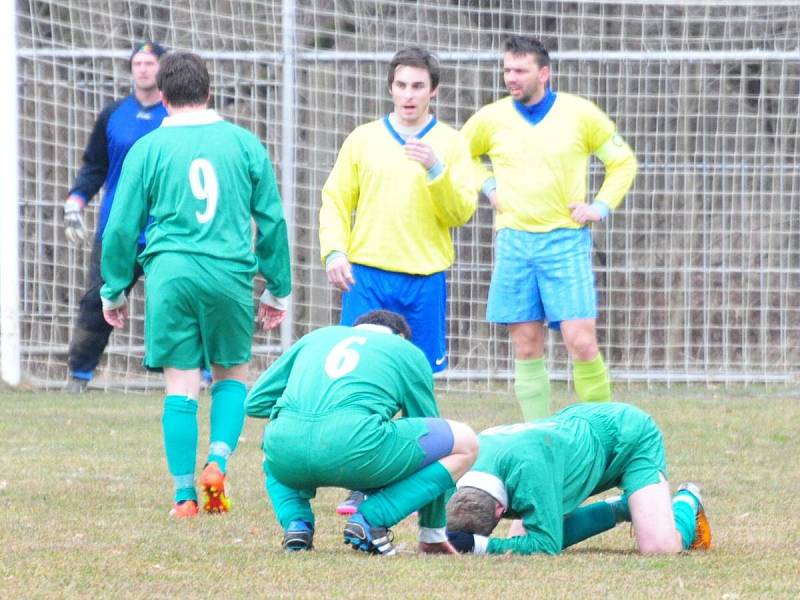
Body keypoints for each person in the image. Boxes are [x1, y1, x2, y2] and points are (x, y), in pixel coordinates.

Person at [99, 52, 292, 518]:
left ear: (163, 99)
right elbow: (271, 221)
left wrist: (114, 287)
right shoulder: (244, 144)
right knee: (231, 374)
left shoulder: (148, 148)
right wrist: (277, 287)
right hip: (229, 272)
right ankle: (218, 462)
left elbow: (121, 227)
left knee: (180, 384)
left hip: (171, 274)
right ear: (209, 92)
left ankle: (184, 497)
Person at [460, 36, 638, 421]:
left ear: (544, 73)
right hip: (514, 243)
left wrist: (600, 207)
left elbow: (622, 162)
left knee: (582, 341)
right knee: (526, 346)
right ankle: (538, 434)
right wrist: (488, 186)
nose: (511, 77)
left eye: (520, 70)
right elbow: (459, 155)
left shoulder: (580, 114)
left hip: (566, 241)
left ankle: (604, 432)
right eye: (507, 69)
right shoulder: (491, 118)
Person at [245, 310, 478, 555]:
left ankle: (296, 523)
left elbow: (255, 402)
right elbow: (426, 425)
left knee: (272, 437)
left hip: (287, 454)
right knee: (465, 442)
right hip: (358, 449)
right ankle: (372, 519)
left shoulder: (316, 337)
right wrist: (432, 531)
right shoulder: (404, 350)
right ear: (400, 336)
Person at [319, 46, 477, 375]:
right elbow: (335, 200)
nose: (408, 94)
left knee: (418, 377)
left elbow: (460, 213)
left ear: (433, 90)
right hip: (366, 277)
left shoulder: (452, 143)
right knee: (356, 373)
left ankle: (415, 430)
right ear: (390, 87)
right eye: (401, 85)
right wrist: (334, 252)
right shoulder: (363, 139)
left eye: (418, 86)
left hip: (424, 279)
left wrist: (436, 170)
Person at [445, 402, 711, 555]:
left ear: (500, 509)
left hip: (629, 435)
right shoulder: (460, 469)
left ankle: (687, 500)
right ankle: (626, 507)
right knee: (522, 534)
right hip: (571, 433)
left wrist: (479, 545)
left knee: (659, 548)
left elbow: (546, 545)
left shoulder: (529, 474)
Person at [62, 41, 168, 393]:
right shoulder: (113, 115)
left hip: (165, 231)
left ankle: (200, 375)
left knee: (177, 302)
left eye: (150, 62)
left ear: (163, 68)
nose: (143, 68)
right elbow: (95, 166)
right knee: (97, 300)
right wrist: (76, 199)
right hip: (117, 230)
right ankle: (78, 376)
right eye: (137, 62)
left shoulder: (176, 116)